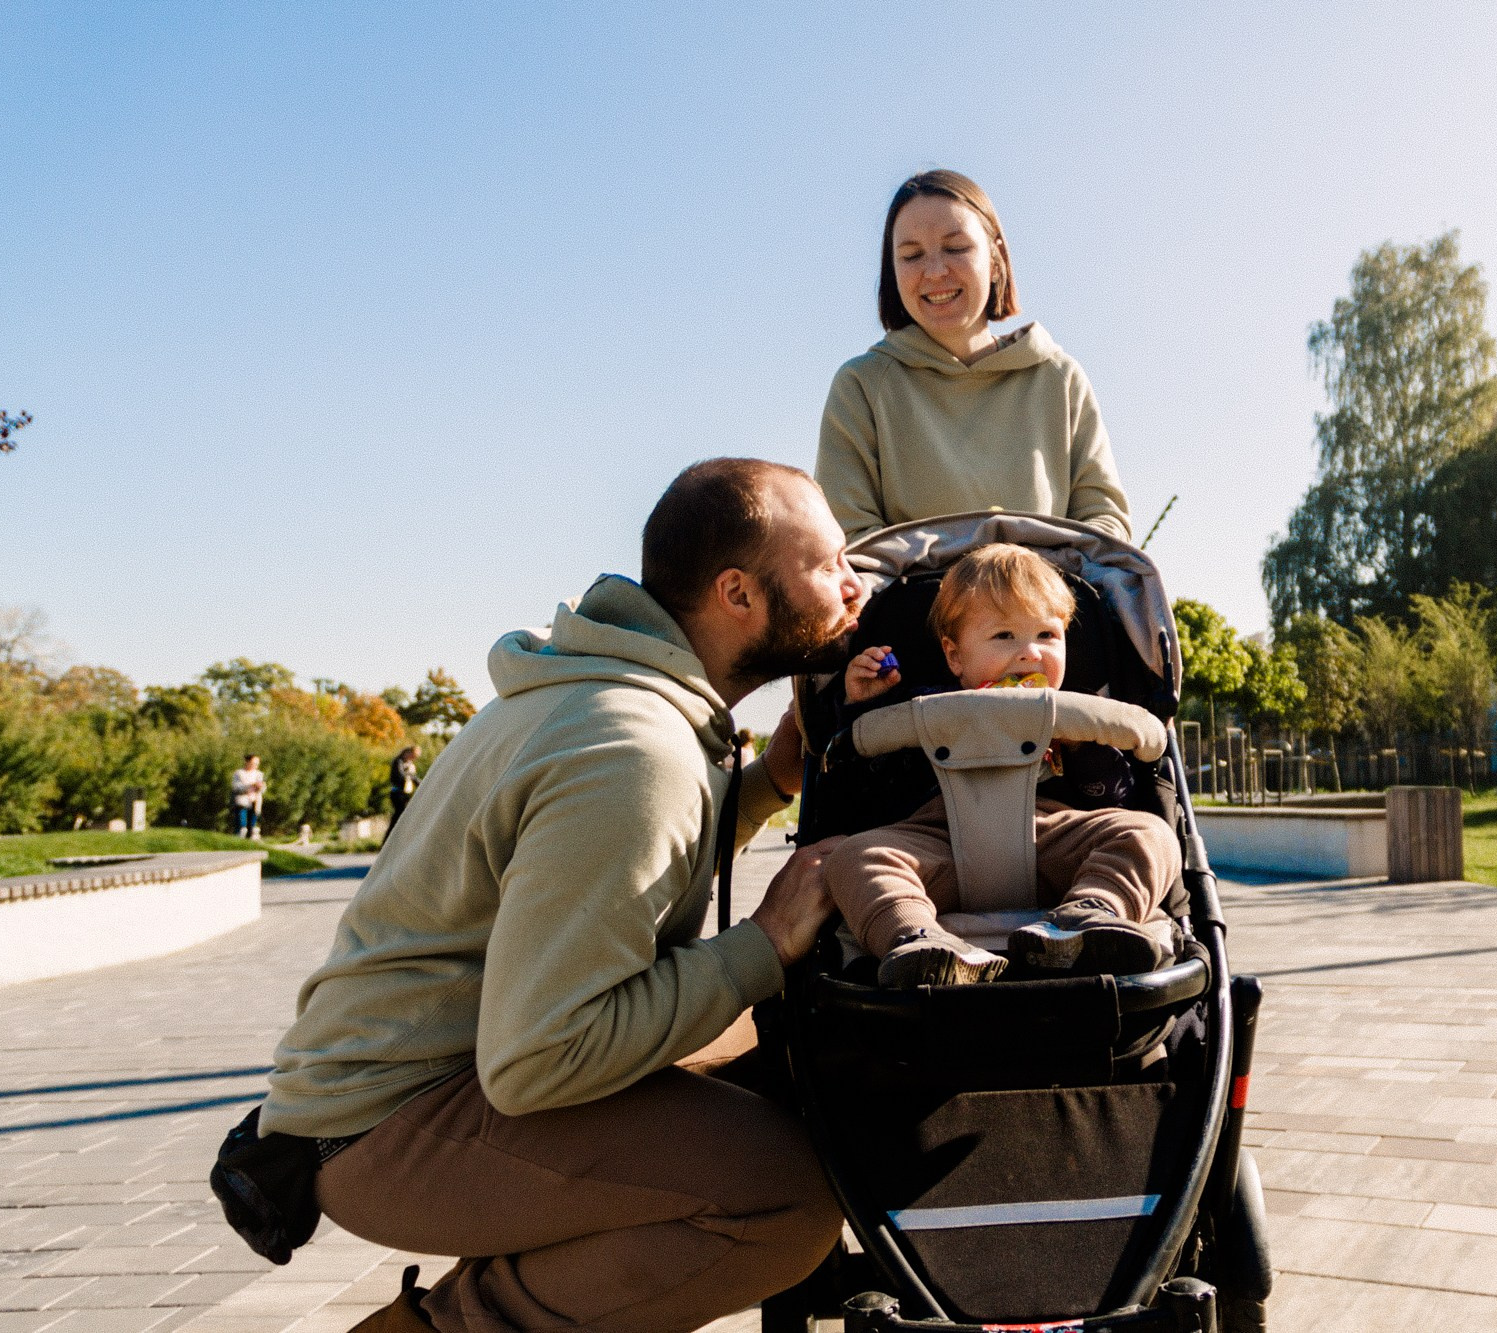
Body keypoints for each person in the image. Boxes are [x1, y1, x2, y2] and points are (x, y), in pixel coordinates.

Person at [259, 459, 864, 1333]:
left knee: (780, 1054)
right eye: (828, 563)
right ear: (738, 592)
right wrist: (762, 946)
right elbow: (543, 1054)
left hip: (428, 1079)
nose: (854, 584)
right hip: (389, 1123)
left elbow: (617, 872)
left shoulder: (618, 700)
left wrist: (767, 780)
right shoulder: (632, 747)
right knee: (782, 1201)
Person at [824, 544, 1180, 988]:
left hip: (1055, 835)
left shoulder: (1080, 713)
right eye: (1004, 636)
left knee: (1151, 836)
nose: (1030, 654)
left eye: (1048, 636)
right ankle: (915, 938)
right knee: (852, 858)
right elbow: (871, 796)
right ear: (955, 655)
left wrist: (1081, 746)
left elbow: (1114, 794)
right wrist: (860, 709)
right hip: (941, 841)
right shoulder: (924, 707)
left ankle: (1092, 914)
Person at [814, 168, 1134, 544]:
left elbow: (1104, 521)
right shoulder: (861, 386)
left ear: (996, 257)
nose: (934, 271)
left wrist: (1022, 582)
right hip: (911, 603)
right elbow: (849, 537)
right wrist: (966, 586)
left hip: (1047, 600)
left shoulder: (1059, 378)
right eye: (912, 255)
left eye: (955, 248)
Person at [384, 745, 419, 838]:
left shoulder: (409, 764)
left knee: (404, 816)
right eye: (413, 756)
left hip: (406, 793)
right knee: (398, 816)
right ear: (407, 753)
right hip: (398, 793)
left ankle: (400, 838)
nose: (413, 759)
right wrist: (409, 774)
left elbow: (414, 778)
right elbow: (401, 776)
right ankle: (388, 839)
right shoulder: (398, 762)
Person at [230, 755, 266, 839]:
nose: (255, 766)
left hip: (255, 801)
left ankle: (249, 840)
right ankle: (238, 839)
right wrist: (249, 786)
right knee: (241, 824)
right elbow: (235, 787)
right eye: (253, 763)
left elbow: (263, 788)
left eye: (257, 764)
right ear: (247, 762)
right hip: (242, 801)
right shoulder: (239, 773)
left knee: (252, 826)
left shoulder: (259, 774)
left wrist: (260, 787)